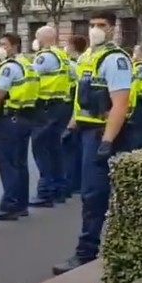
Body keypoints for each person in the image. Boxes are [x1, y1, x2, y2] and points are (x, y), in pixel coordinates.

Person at [53, 11, 133, 276]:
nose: (96, 29)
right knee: (89, 194)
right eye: (92, 25)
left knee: (95, 194)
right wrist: (71, 127)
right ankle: (95, 250)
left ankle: (88, 252)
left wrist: (107, 142)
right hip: (87, 131)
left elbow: (121, 103)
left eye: (102, 25)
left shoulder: (115, 59)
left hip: (103, 133)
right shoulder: (88, 57)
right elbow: (84, 98)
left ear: (113, 29)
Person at [0, 32, 39, 221]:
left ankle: (10, 204)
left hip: (10, 117)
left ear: (14, 46)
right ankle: (21, 204)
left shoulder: (9, 67)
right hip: (25, 116)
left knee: (8, 163)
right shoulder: (26, 63)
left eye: (4, 45)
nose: (0, 48)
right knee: (19, 163)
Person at [29, 26, 73, 207]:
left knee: (41, 148)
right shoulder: (63, 56)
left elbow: (31, 77)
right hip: (61, 105)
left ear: (42, 39)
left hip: (46, 106)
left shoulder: (44, 57)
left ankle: (46, 192)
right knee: (55, 148)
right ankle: (59, 189)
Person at [61, 35, 88, 196]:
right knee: (77, 148)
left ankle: (72, 182)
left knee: (70, 149)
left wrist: (73, 116)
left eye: (67, 45)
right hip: (78, 110)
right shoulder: (79, 62)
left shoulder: (76, 64)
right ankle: (76, 181)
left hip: (74, 110)